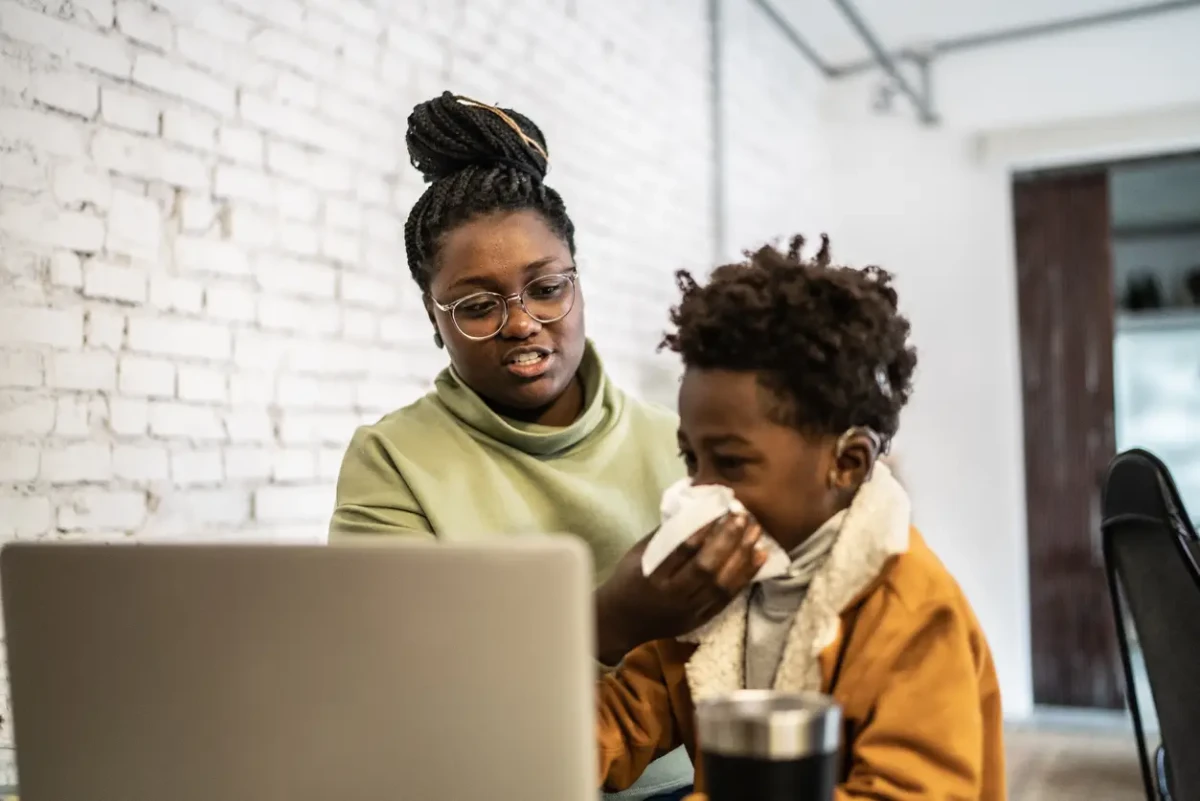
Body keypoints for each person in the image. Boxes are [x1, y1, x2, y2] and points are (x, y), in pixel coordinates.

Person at [329, 92, 765, 801]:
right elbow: (395, 689)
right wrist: (608, 621)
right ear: (432, 317)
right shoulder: (392, 463)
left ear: (577, 280)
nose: (522, 322)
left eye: (546, 287)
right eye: (477, 305)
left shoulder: (680, 441)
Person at [596, 235, 1006, 800]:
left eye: (732, 462)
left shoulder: (911, 610)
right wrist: (614, 626)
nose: (698, 490)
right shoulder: (715, 595)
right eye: (692, 460)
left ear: (847, 463)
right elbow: (610, 729)